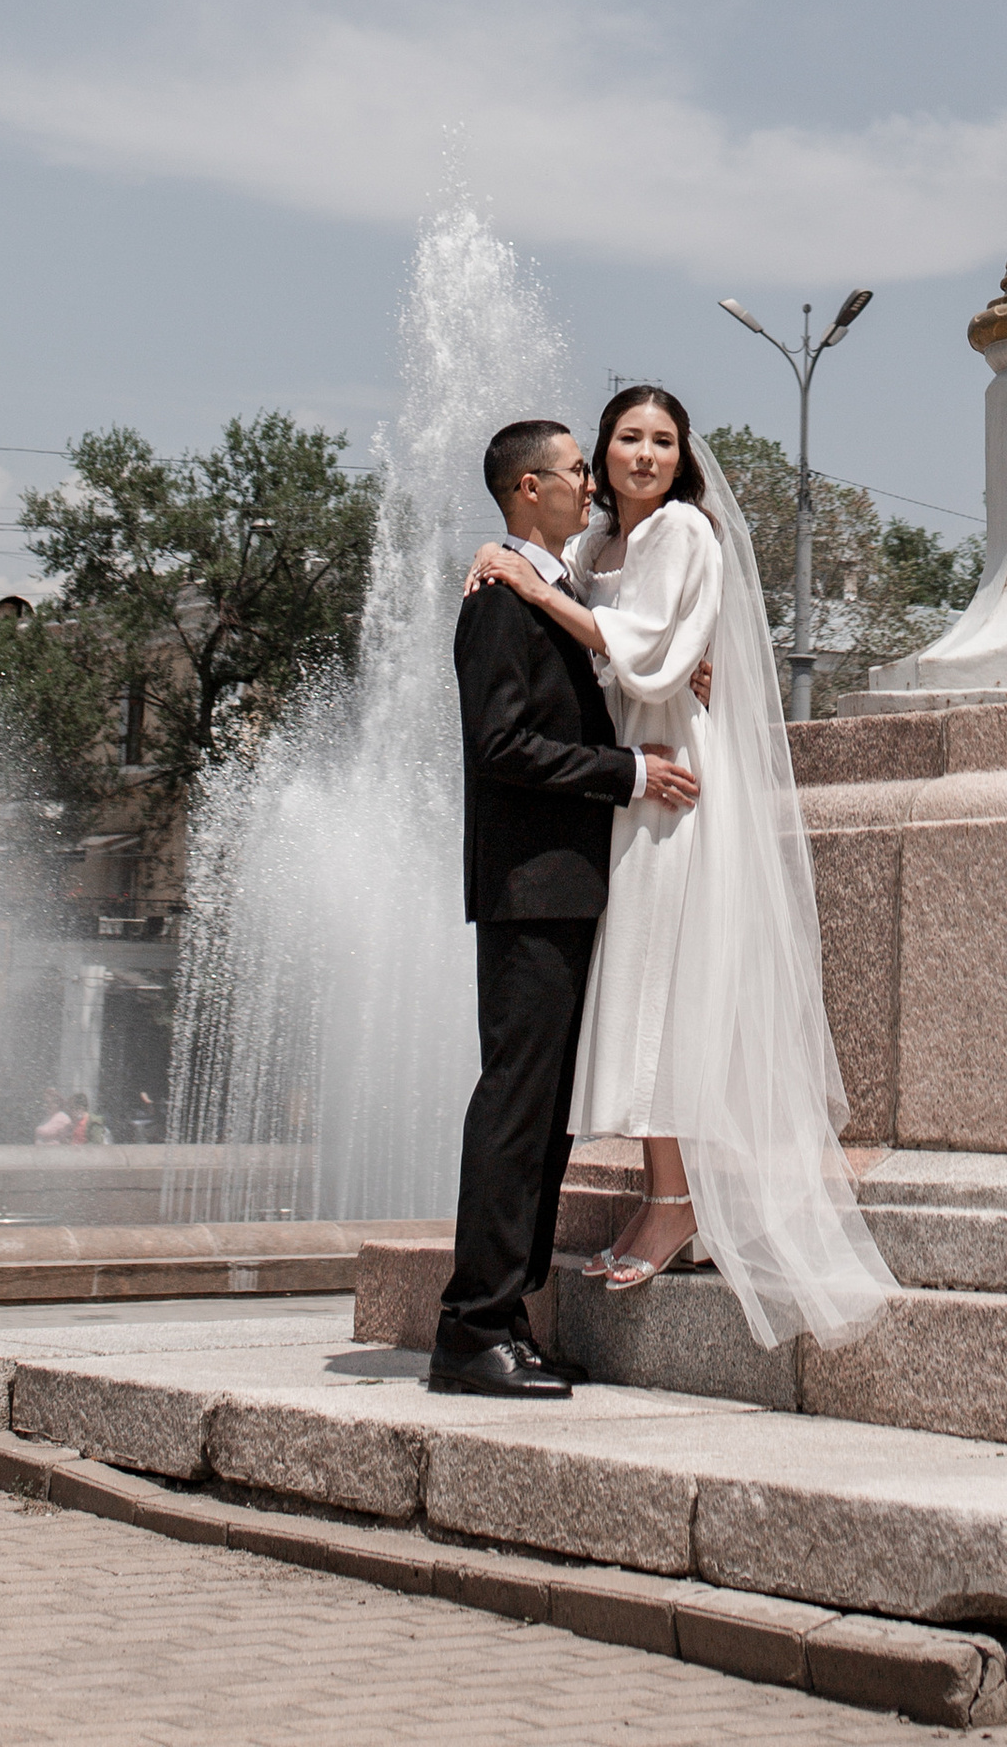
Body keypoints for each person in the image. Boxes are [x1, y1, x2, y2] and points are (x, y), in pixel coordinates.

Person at [464, 385, 890, 1349]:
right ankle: (667, 1187)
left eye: (662, 439)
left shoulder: (686, 533)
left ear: (682, 453)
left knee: (671, 977)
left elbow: (650, 659)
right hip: (620, 786)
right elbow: (584, 651)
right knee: (644, 979)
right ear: (600, 457)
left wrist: (537, 593)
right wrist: (515, 569)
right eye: (623, 440)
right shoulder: (588, 549)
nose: (641, 455)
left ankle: (676, 1196)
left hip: (668, 780)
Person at [431, 414, 700, 1403]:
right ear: (526, 491)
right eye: (576, 470)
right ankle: (471, 1328)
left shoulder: (546, 585)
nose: (591, 484)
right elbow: (500, 745)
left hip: (565, 887)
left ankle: (508, 1319)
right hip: (529, 887)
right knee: (515, 1105)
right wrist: (627, 770)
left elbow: (613, 665)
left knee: (542, 1118)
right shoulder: (501, 598)